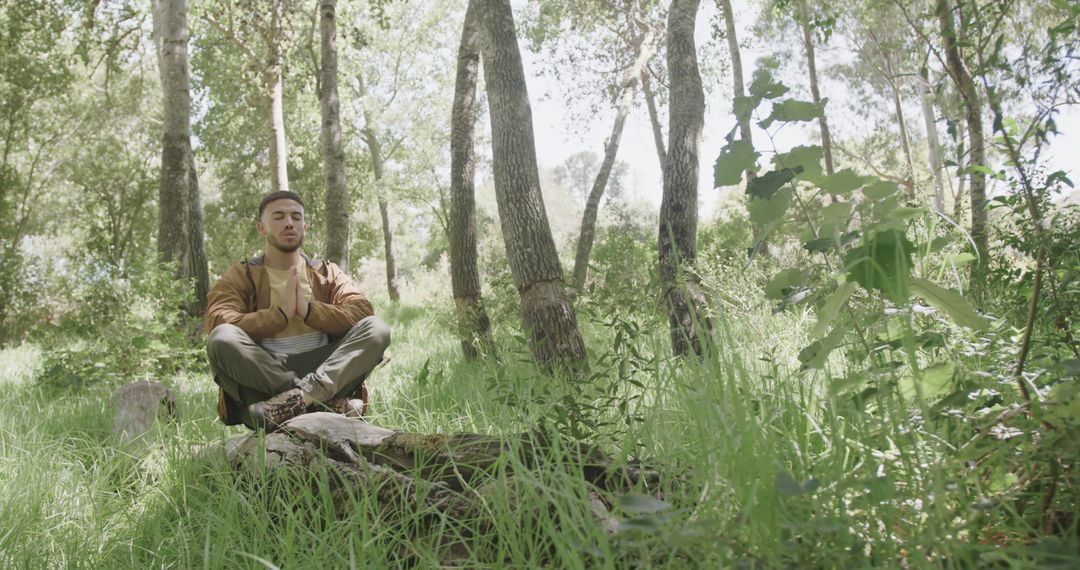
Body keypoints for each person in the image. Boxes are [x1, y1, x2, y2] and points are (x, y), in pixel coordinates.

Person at [204, 190, 390, 431]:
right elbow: (218, 318)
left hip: (325, 372)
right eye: (279, 216)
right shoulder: (241, 274)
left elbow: (362, 311)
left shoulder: (326, 272)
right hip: (264, 377)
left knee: (377, 328)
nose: (289, 223)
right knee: (221, 337)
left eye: (296, 217)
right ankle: (320, 404)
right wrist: (278, 315)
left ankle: (298, 400)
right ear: (262, 228)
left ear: (305, 226)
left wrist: (310, 310)